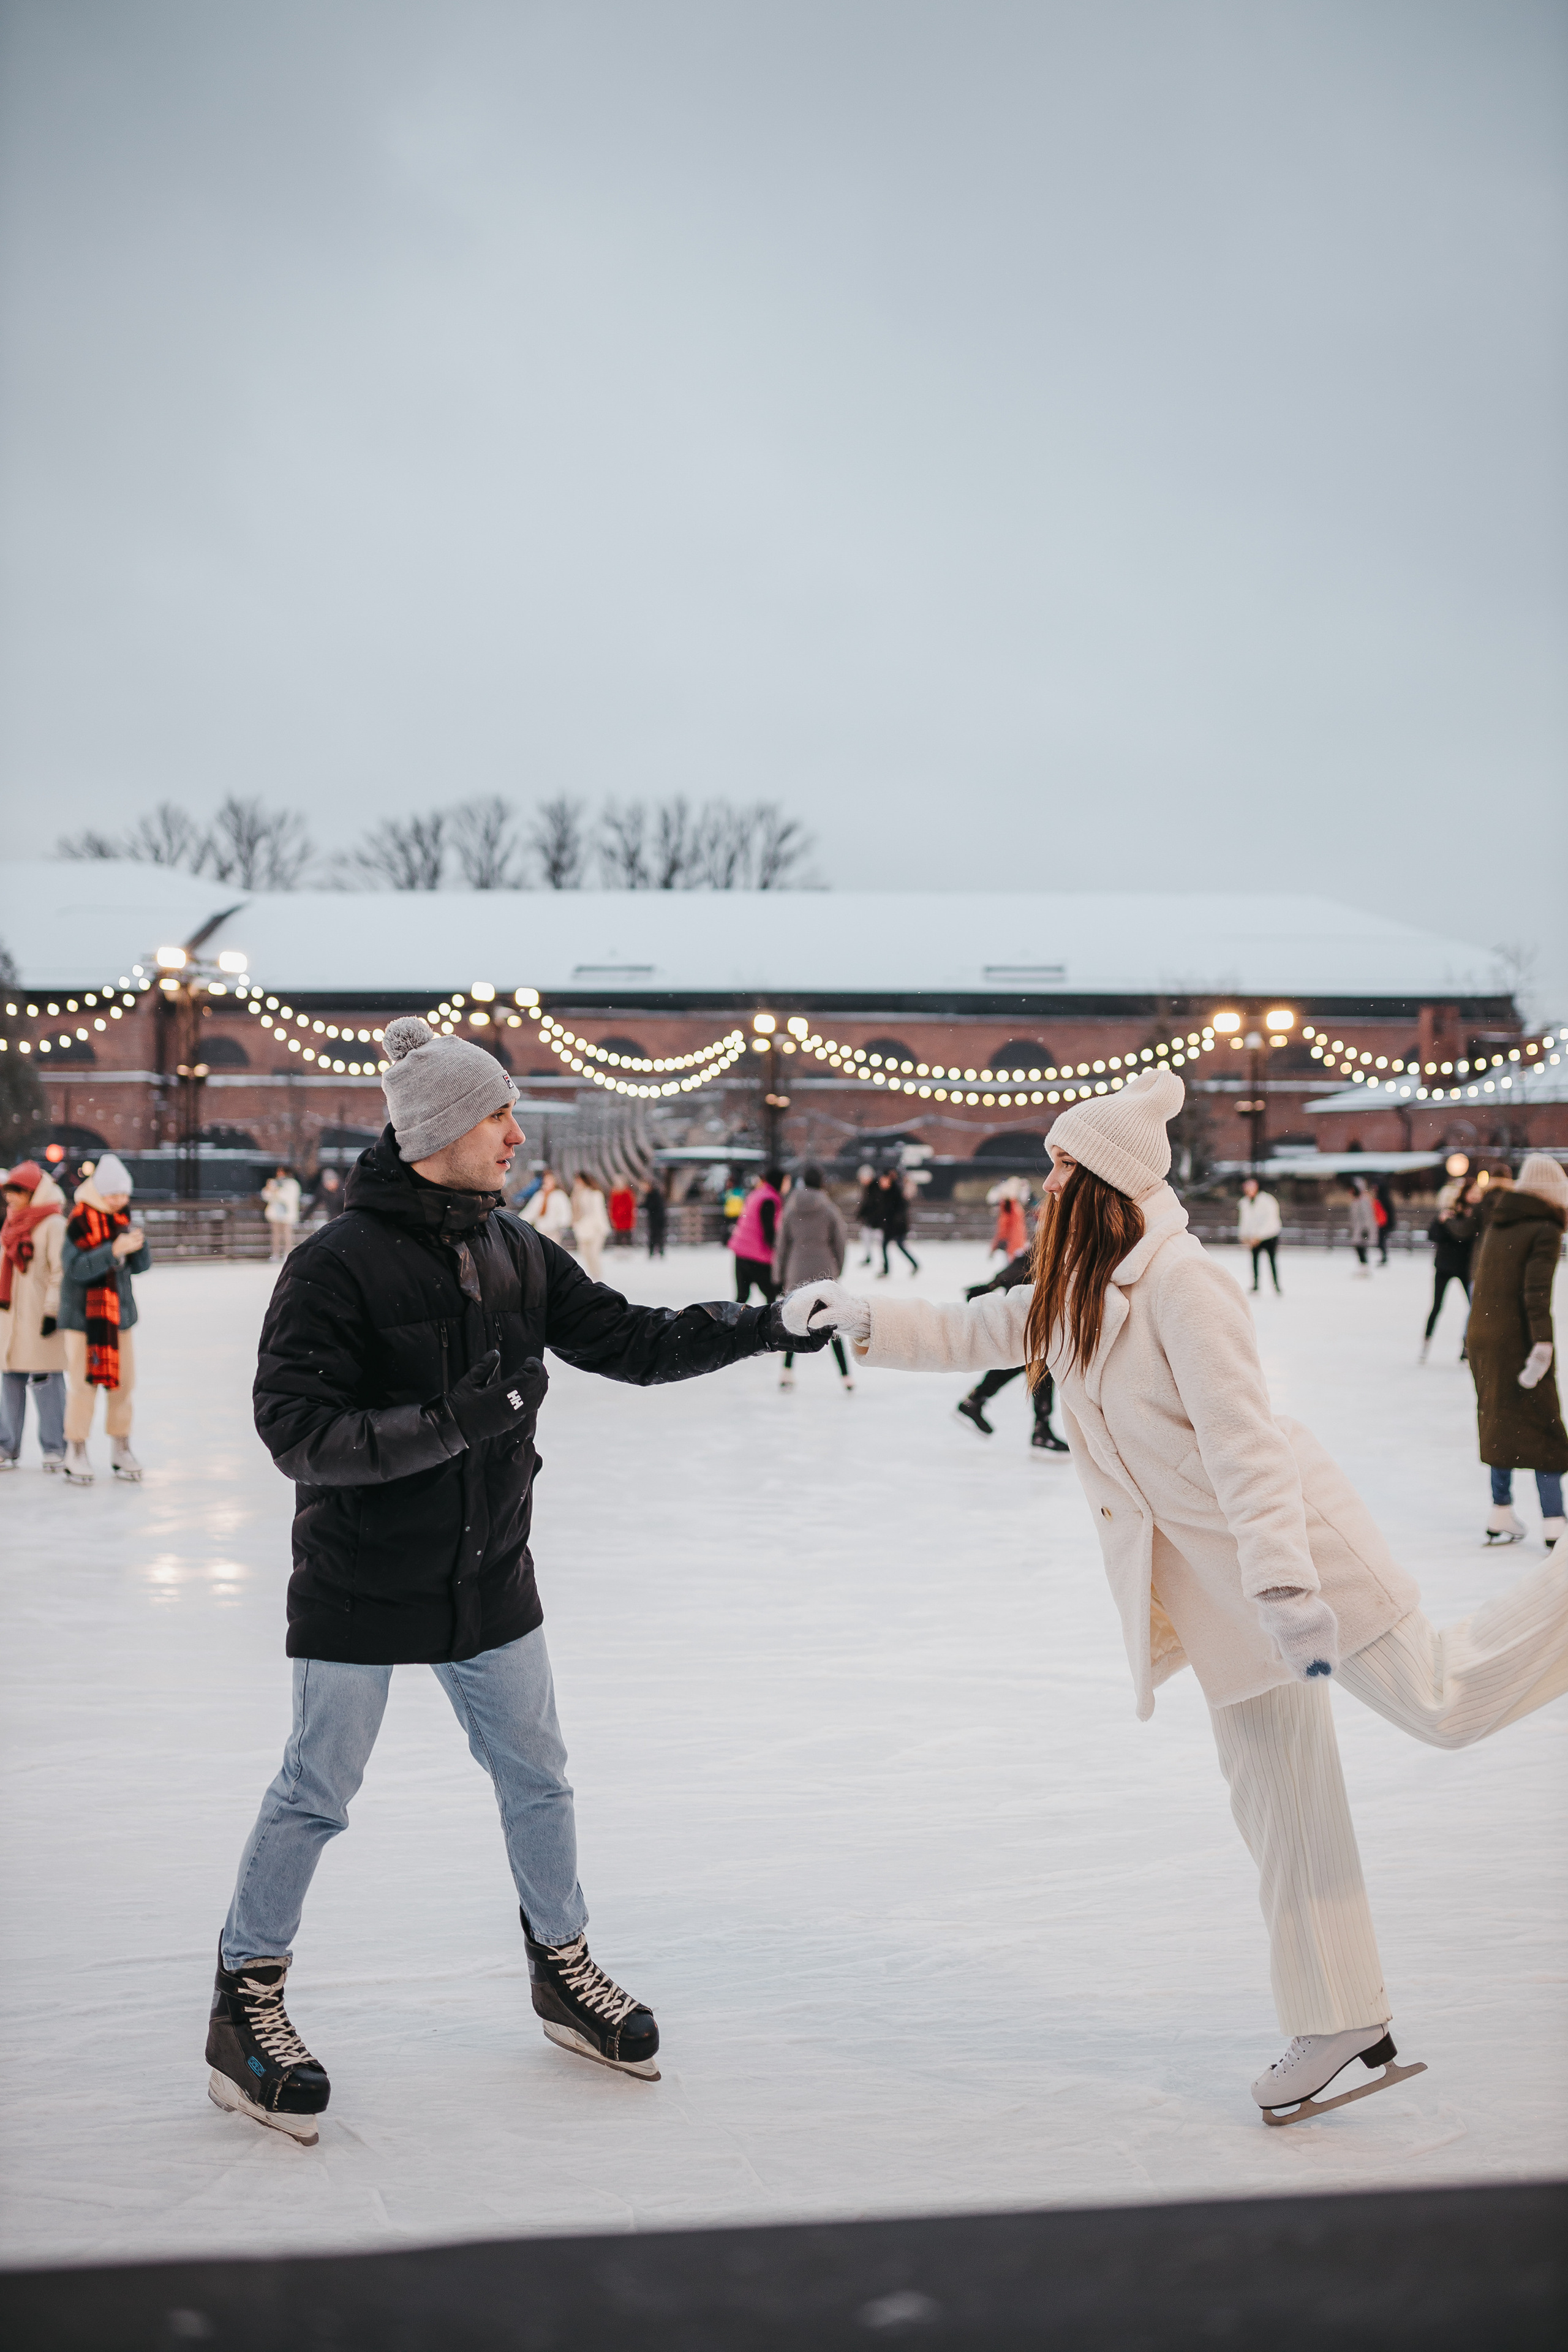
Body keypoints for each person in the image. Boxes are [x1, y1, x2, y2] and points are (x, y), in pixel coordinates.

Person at [782, 1068, 1568, 2122]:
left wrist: (1287, 1586)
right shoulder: (1078, 1288)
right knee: (1283, 1807)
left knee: (1445, 1699)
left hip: (1290, 1559)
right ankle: (1340, 2011)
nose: (1049, 1185)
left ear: (1107, 1179)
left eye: (1064, 1169)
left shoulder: (1185, 1287)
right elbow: (984, 1329)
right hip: (1215, 1593)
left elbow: (1249, 1448)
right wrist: (869, 1313)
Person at [208, 1015, 824, 2146]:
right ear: (441, 1129)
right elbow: (295, 1430)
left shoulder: (515, 1249)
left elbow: (630, 1340)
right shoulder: (333, 1263)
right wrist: (451, 1422)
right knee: (316, 1791)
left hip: (491, 1577)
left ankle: (561, 1966)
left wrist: (767, 1323)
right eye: (500, 1116)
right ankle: (244, 2004)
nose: (518, 1139)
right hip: (362, 1581)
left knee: (538, 1777)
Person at [1467, 1153, 1566, 1551]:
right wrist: (1542, 1344)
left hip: (1483, 1334)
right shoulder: (1544, 1229)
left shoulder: (1499, 1222)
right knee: (1544, 1425)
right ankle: (1556, 1521)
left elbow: (1483, 1281)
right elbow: (1535, 1294)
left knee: (1498, 1420)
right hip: (1517, 1339)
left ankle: (1501, 1512)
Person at [58, 1151, 148, 1487]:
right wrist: (113, 1250)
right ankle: (76, 1449)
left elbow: (142, 1267)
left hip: (119, 1317)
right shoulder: (78, 1222)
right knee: (83, 1387)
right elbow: (75, 1268)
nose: (119, 1200)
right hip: (84, 1321)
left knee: (124, 1384)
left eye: (124, 1194)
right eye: (113, 1194)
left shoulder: (122, 1220)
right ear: (99, 1191)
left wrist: (138, 1244)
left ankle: (121, 1446)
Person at [954, 1252, 1067, 1451]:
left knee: (1029, 1360)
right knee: (1037, 1362)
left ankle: (976, 1400)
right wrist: (992, 1286)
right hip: (1035, 1301)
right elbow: (1034, 1256)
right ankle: (1041, 1430)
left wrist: (992, 1285)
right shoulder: (1062, 1233)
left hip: (1037, 1299)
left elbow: (1030, 1257)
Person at [0, 1159, 68, 1472]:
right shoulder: (13, 1222)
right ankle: (7, 1447)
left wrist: (52, 1311)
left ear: (33, 1192)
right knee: (10, 1382)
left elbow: (60, 1272)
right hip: (11, 1317)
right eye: (8, 1193)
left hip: (41, 1318)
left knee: (47, 1382)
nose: (9, 1198)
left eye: (15, 1192)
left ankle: (55, 1447)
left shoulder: (53, 1224)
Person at [774, 1163, 853, 1393]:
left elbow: (782, 1243)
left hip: (796, 1269)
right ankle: (846, 1375)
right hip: (824, 1270)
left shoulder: (791, 1207)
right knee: (831, 1321)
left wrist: (780, 1273)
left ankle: (787, 1371)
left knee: (793, 1321)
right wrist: (837, 1269)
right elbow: (840, 1241)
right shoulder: (829, 1209)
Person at [1420, 1179, 1480, 1363]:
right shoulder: (1449, 1214)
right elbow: (1433, 1236)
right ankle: (1426, 1343)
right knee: (1437, 1306)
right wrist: (1441, 1222)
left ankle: (1467, 1345)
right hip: (1445, 1266)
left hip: (1463, 1266)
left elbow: (1468, 1237)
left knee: (1474, 1306)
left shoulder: (1475, 1215)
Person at [728, 1166, 784, 1304]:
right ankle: (769, 1324)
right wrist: (776, 1249)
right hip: (756, 1255)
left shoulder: (757, 1193)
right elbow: (768, 1230)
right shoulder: (769, 1199)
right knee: (772, 1295)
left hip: (741, 1252)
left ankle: (732, 1323)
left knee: (742, 1296)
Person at [1237, 1177, 1282, 1295]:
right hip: (1253, 1238)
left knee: (1272, 1261)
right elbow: (1244, 1221)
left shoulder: (1267, 1201)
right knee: (1254, 1261)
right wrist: (1244, 1236)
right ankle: (1256, 1285)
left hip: (1270, 1235)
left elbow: (1270, 1220)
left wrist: (1258, 1236)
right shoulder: (1244, 1203)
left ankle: (1276, 1286)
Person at [876, 1169, 919, 1278]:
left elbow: (901, 1209)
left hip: (897, 1226)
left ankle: (914, 1265)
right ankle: (913, 1265)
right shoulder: (885, 1192)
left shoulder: (895, 1191)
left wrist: (896, 1221)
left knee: (898, 1245)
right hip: (890, 1225)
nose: (882, 1183)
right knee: (888, 1245)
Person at [568, 1174, 610, 1283]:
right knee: (585, 1253)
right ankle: (593, 1276)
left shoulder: (595, 1194)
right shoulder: (578, 1194)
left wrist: (601, 1228)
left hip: (596, 1229)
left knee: (594, 1254)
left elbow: (599, 1212)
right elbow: (575, 1210)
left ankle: (597, 1277)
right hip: (583, 1229)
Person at [522, 1169, 571, 1245]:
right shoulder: (540, 1195)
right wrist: (521, 1220)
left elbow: (565, 1211)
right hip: (541, 1229)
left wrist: (563, 1224)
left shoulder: (559, 1195)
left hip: (554, 1230)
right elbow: (531, 1211)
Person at [262, 1166, 301, 1261]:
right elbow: (266, 1196)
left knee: (287, 1236)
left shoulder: (292, 1184)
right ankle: (275, 1254)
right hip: (275, 1214)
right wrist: (269, 1190)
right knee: (275, 1236)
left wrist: (277, 1192)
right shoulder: (274, 1182)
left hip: (287, 1214)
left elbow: (290, 1198)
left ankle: (287, 1253)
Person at [989, 1180, 1029, 1262]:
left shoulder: (1009, 1211)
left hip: (1013, 1246)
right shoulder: (1016, 1208)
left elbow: (1003, 1232)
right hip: (1018, 1245)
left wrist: (994, 1247)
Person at [1347, 1178, 1376, 1276]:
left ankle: (1364, 1268)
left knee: (1362, 1248)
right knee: (1359, 1248)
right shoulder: (1357, 1201)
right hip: (1358, 1229)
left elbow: (1367, 1216)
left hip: (1362, 1230)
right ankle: (1363, 1267)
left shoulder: (1363, 1201)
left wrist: (1366, 1229)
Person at [855, 1165, 883, 1267]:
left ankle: (883, 1263)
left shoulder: (875, 1188)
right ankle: (868, 1257)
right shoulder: (868, 1188)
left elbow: (875, 1205)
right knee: (865, 1236)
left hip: (878, 1221)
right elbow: (866, 1204)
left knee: (880, 1242)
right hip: (871, 1221)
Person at [1374, 1178, 1398, 1267]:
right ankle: (1383, 1257)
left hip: (1383, 1223)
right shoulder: (1383, 1198)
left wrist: (1389, 1223)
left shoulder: (1383, 1198)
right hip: (1382, 1223)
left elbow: (1388, 1213)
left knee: (1381, 1242)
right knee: (1381, 1242)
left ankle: (1384, 1258)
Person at [644, 1176, 668, 1258]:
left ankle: (658, 1251)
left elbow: (652, 1206)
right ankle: (655, 1251)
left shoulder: (654, 1195)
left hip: (657, 1220)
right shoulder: (652, 1194)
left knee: (657, 1236)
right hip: (655, 1219)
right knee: (655, 1236)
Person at [608, 1183, 636, 1250]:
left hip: (626, 1219)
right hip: (618, 1219)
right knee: (619, 1236)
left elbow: (630, 1206)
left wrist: (622, 1212)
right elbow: (613, 1207)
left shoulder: (627, 1193)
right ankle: (620, 1250)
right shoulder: (614, 1194)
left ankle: (628, 1250)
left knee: (627, 1235)